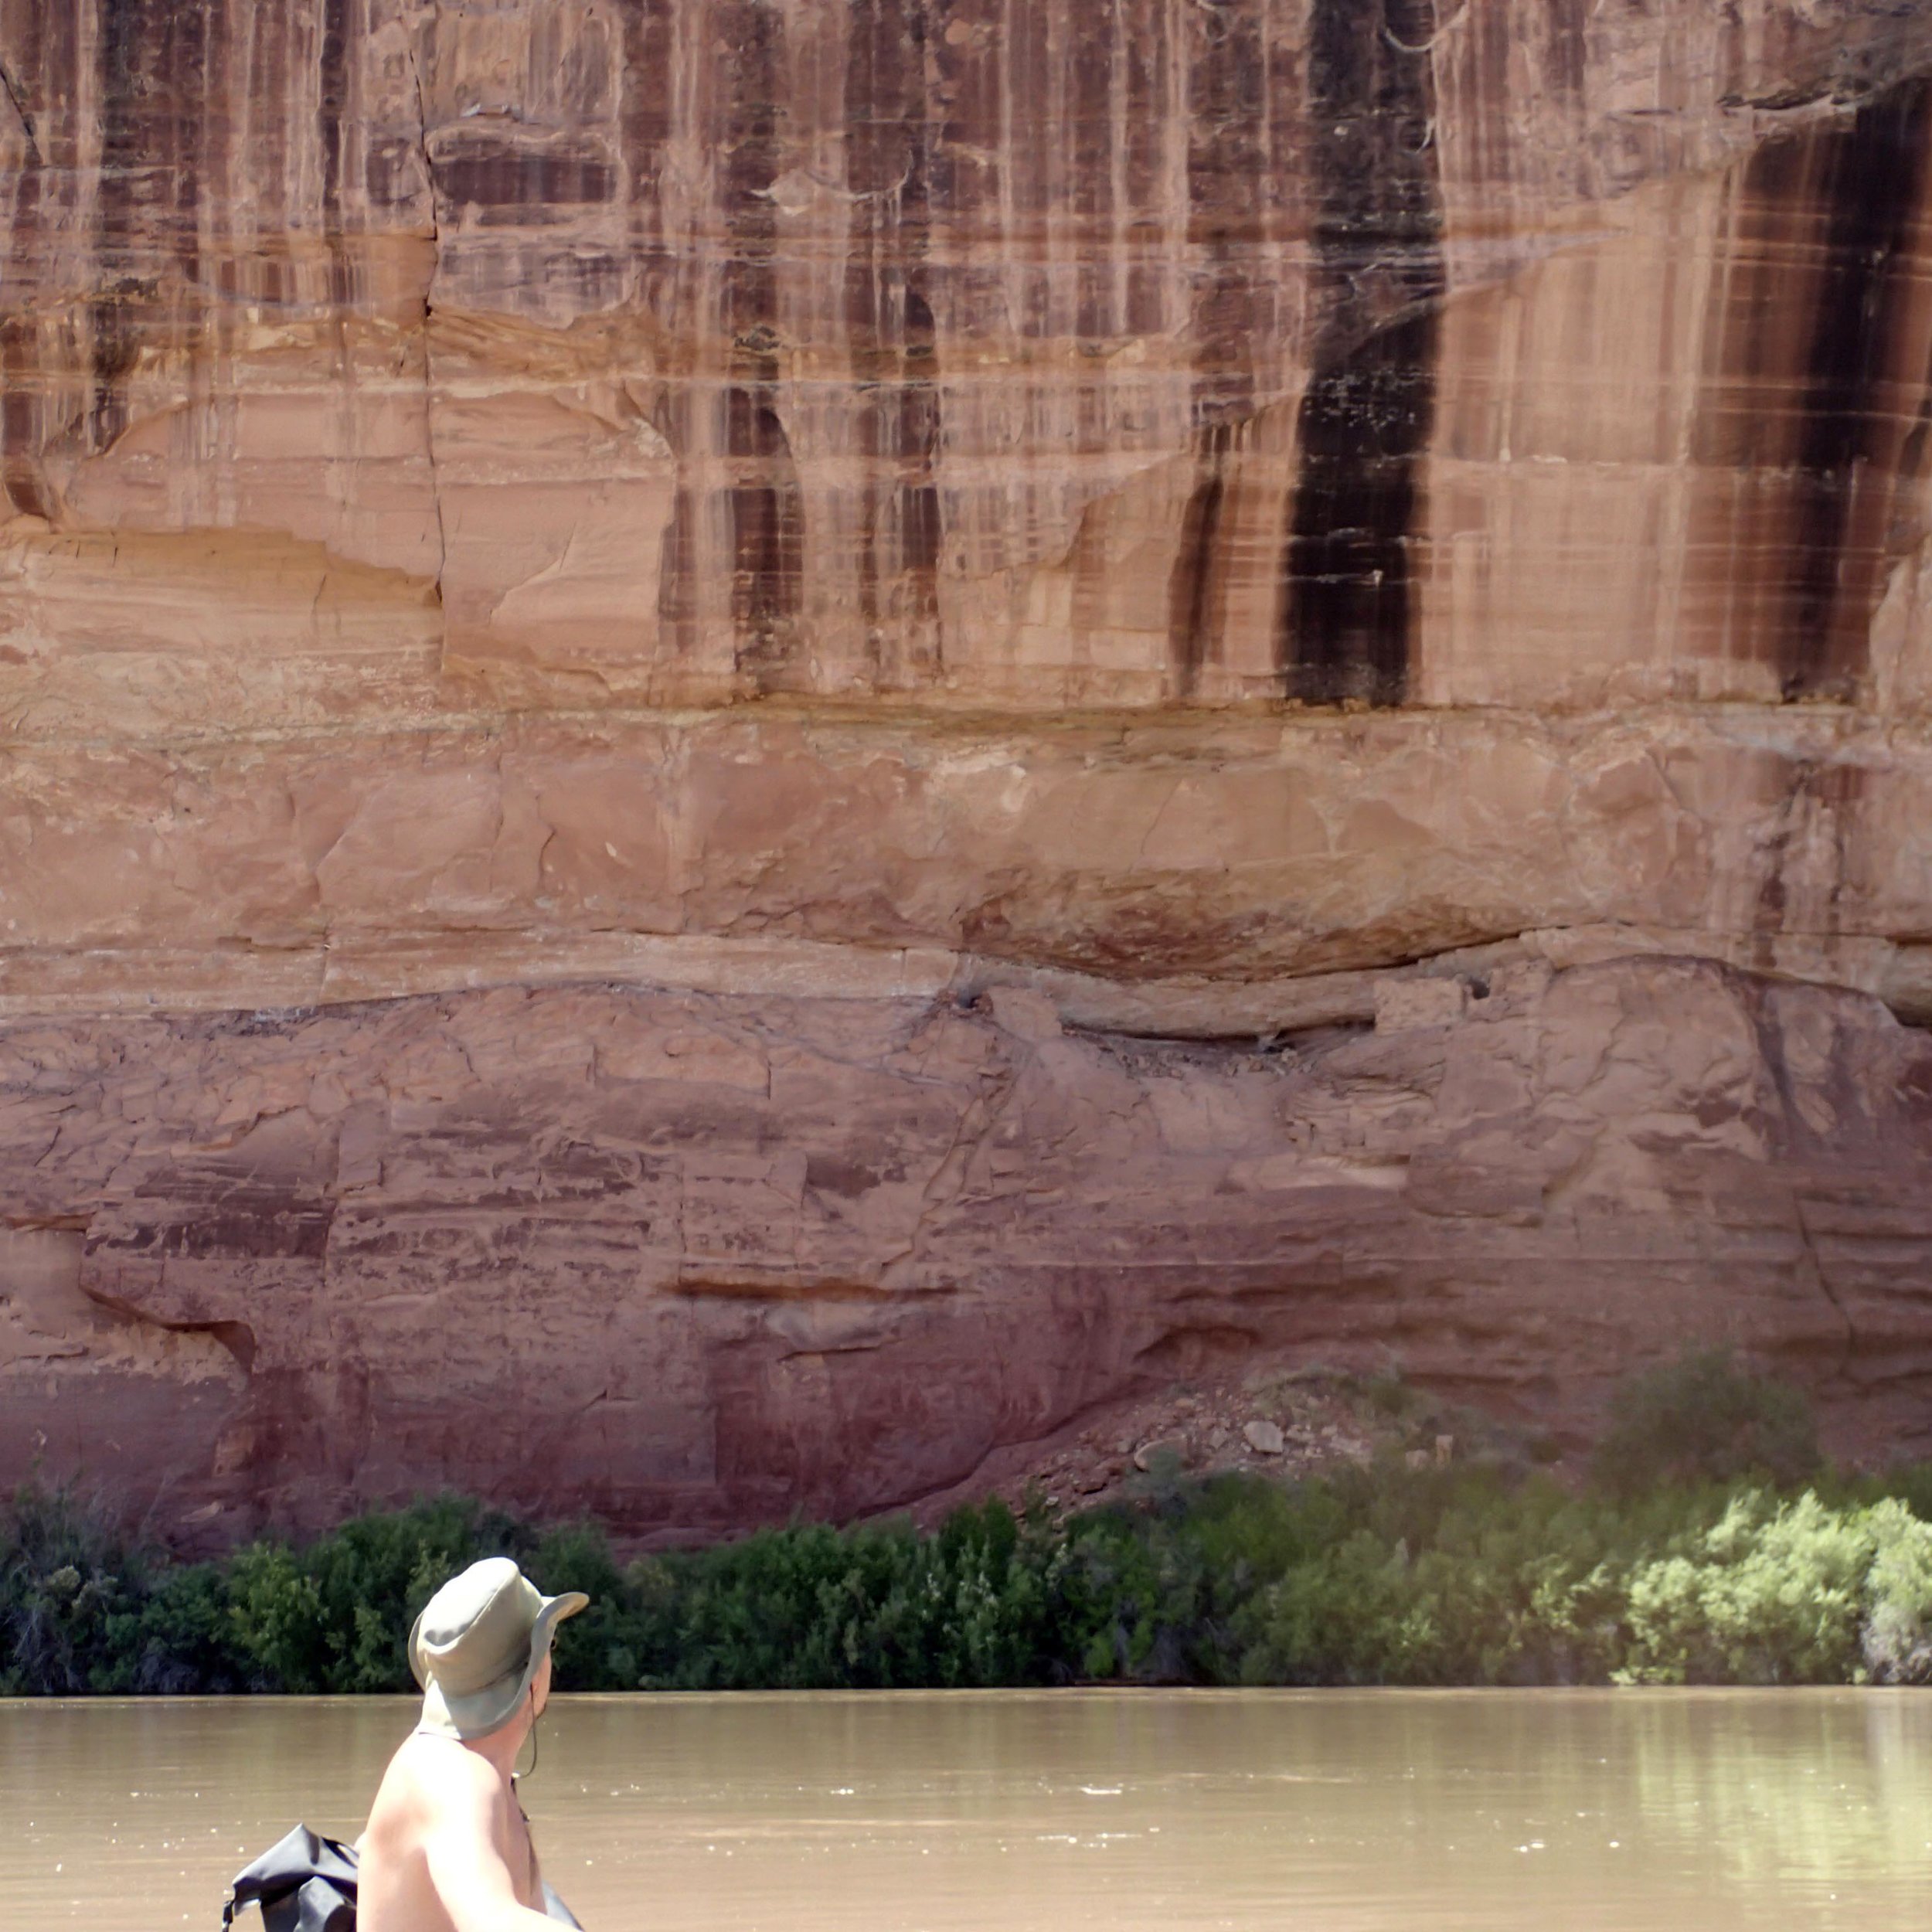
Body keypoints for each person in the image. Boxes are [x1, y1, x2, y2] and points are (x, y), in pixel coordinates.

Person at [356, 1556, 589, 1932]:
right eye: (551, 1644)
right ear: (532, 1673)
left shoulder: (472, 1769)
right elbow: (491, 1919)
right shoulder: (455, 1780)